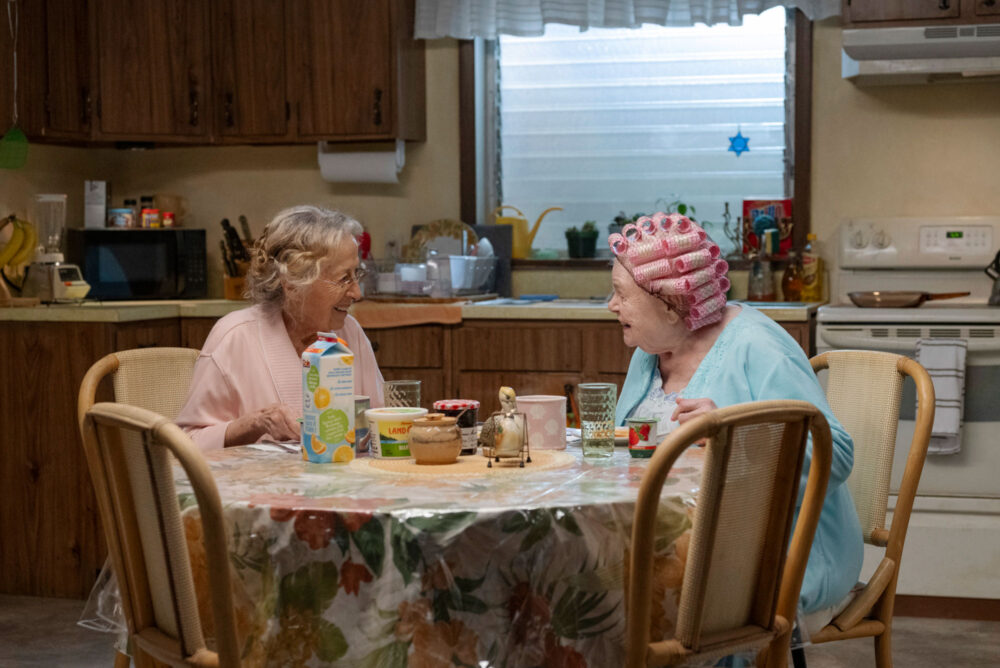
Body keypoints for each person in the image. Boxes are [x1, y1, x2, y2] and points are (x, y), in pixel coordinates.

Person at [607, 212, 863, 632]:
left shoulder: (756, 345)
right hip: (678, 538)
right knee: (580, 578)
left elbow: (834, 451)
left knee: (631, 598)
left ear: (671, 305)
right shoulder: (650, 350)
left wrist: (739, 432)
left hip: (780, 549)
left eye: (621, 294)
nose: (612, 305)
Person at [177, 205, 384, 450]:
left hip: (340, 486)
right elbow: (184, 446)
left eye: (356, 274)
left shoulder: (349, 332)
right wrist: (254, 424)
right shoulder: (235, 337)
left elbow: (379, 424)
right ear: (293, 282)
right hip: (255, 486)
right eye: (343, 279)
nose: (357, 293)